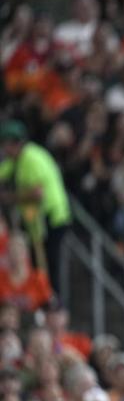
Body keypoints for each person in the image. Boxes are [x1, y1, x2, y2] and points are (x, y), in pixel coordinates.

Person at [0, 120, 71, 293]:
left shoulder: (31, 158)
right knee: (37, 262)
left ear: (15, 143)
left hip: (52, 217)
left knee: (48, 263)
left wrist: (9, 197)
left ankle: (52, 302)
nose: (3, 149)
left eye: (5, 144)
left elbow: (38, 193)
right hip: (37, 220)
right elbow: (3, 172)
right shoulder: (16, 160)